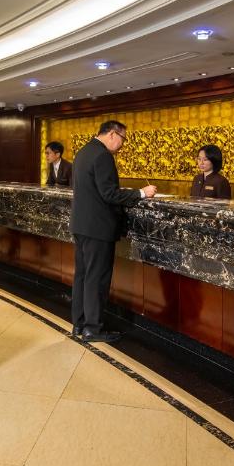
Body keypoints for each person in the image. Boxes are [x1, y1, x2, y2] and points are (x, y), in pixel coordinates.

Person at [70, 120, 156, 342]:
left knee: (83, 276)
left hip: (81, 225)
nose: (122, 144)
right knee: (96, 279)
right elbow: (109, 194)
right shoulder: (103, 156)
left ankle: (79, 324)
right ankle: (93, 329)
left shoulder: (83, 152)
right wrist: (141, 193)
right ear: (111, 134)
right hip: (98, 228)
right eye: (123, 139)